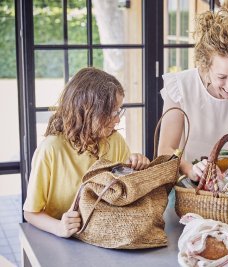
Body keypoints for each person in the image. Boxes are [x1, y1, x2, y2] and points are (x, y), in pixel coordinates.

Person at [23, 67, 150, 238]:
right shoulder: (51, 149)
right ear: (87, 111)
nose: (118, 119)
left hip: (106, 235)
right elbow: (30, 213)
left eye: (118, 110)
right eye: (112, 112)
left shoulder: (115, 140)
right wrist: (59, 227)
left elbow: (125, 189)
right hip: (66, 242)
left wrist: (137, 165)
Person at [158, 9, 228, 181]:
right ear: (205, 66)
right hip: (190, 188)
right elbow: (165, 150)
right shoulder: (181, 87)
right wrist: (190, 170)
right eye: (222, 77)